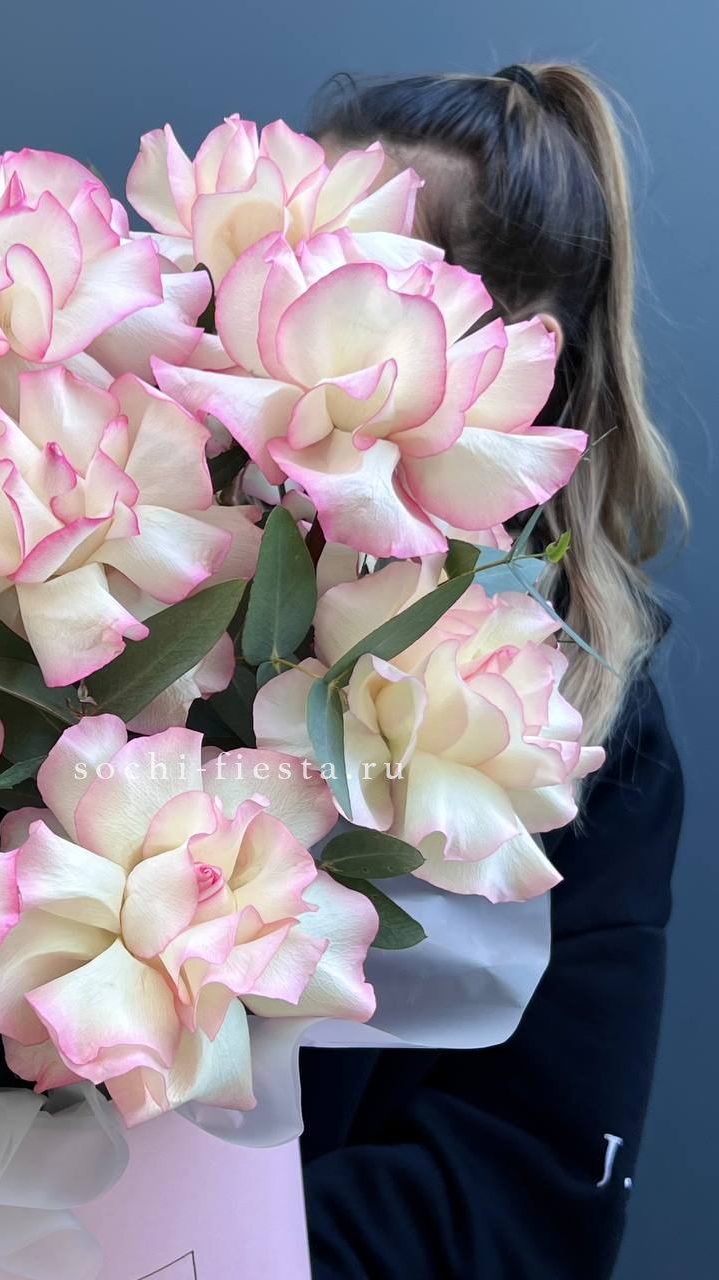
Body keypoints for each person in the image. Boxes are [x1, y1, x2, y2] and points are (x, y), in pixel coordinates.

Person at [299, 63, 686, 1279]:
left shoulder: (595, 725)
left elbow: (528, 1187)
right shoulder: (118, 592)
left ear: (523, 355)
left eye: (382, 282)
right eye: (287, 250)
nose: (302, 308)